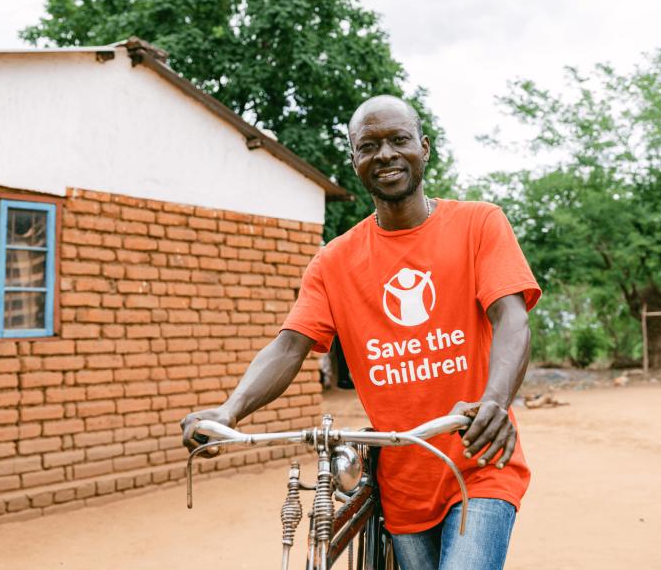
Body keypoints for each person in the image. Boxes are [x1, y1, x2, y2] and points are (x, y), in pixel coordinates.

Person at [181, 95, 541, 570]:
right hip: (400, 481)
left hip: (478, 461)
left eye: (399, 140)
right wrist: (230, 410)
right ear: (354, 159)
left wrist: (495, 400)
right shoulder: (335, 260)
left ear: (424, 147)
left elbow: (512, 319)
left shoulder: (479, 224)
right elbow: (291, 344)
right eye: (368, 145)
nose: (386, 154)